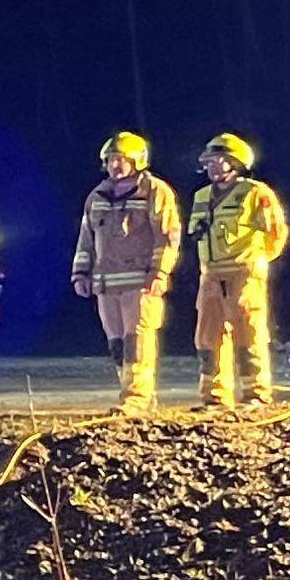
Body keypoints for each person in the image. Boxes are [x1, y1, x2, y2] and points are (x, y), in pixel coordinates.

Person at [72, 131, 184, 413]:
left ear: (137, 162)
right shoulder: (97, 195)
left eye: (122, 159)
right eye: (111, 159)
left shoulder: (155, 191)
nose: (115, 165)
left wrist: (160, 273)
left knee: (137, 340)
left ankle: (137, 398)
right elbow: (86, 238)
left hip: (140, 281)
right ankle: (135, 395)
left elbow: (167, 236)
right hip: (105, 284)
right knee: (118, 344)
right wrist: (80, 273)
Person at [186, 133, 290, 411]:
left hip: (244, 273)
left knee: (248, 332)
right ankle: (214, 396)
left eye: (218, 160)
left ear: (236, 162)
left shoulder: (256, 193)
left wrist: (257, 261)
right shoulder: (201, 196)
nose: (212, 166)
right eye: (209, 161)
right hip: (210, 275)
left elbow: (276, 233)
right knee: (208, 335)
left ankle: (255, 394)